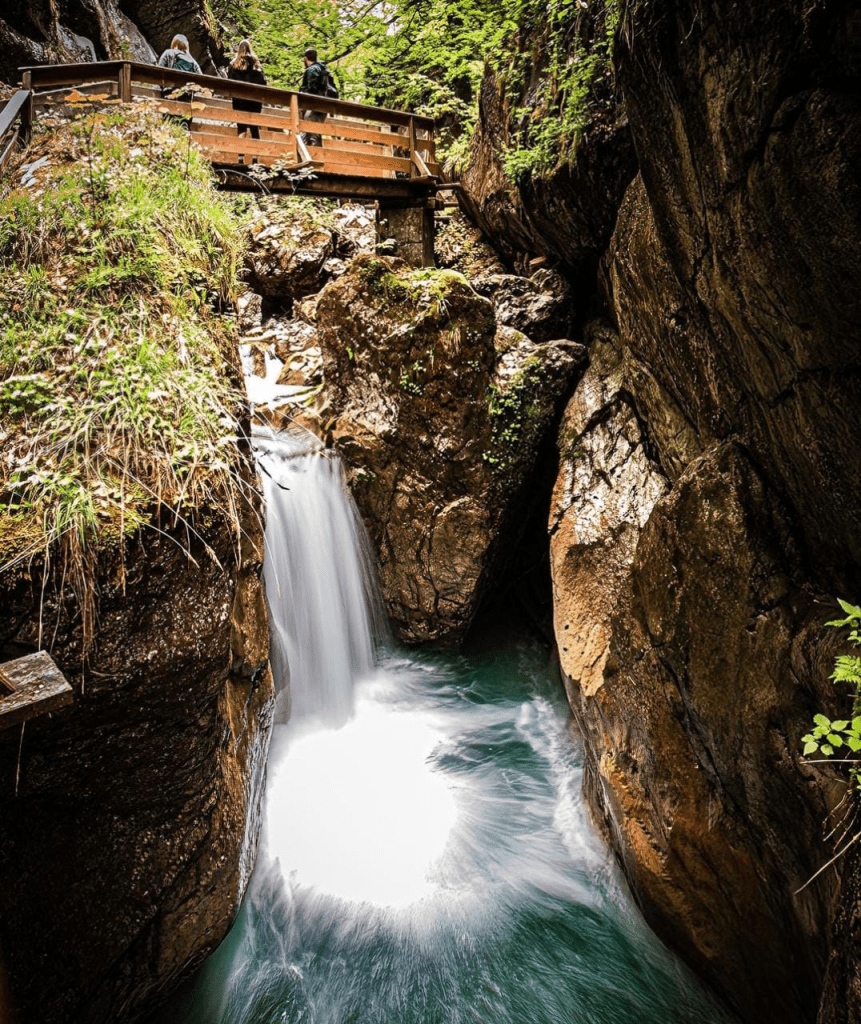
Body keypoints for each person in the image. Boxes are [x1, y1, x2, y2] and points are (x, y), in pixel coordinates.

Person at [227, 39, 267, 154]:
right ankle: (256, 157)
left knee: (241, 127)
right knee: (254, 129)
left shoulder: (234, 65)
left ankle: (241, 156)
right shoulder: (256, 65)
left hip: (239, 101)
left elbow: (229, 83)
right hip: (254, 102)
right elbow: (263, 83)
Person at [299, 47, 328, 148]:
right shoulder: (324, 70)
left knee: (310, 133)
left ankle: (312, 158)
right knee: (315, 133)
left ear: (305, 59)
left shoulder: (311, 70)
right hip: (324, 105)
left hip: (313, 105)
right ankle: (314, 157)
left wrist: (302, 95)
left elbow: (312, 88)